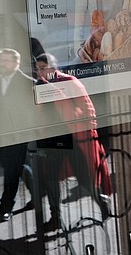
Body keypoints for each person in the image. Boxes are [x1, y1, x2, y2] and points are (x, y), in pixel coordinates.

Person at [34, 53, 112, 232]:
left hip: (75, 137)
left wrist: (87, 132)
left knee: (85, 178)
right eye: (38, 69)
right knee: (51, 178)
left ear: (53, 68)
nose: (40, 72)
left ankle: (102, 202)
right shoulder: (40, 86)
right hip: (54, 139)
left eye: (43, 68)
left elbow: (88, 107)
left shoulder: (69, 81)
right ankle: (56, 218)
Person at [0, 48, 37, 221]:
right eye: (0, 60)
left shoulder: (27, 83)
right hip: (2, 136)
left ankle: (5, 207)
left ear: (16, 64)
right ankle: (38, 196)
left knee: (11, 171)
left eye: (6, 60)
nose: (2, 63)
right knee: (20, 169)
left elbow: (32, 112)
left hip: (19, 137)